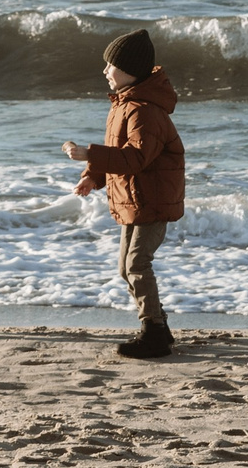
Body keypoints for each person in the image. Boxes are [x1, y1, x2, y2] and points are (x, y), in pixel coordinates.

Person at [61, 28, 185, 360]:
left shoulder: (145, 111)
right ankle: (158, 325)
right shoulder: (124, 104)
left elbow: (136, 158)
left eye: (111, 65)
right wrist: (93, 176)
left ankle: (154, 333)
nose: (105, 71)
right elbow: (118, 153)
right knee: (126, 268)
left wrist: (89, 154)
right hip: (135, 199)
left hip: (152, 200)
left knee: (137, 264)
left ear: (130, 70)